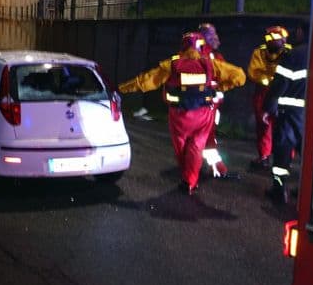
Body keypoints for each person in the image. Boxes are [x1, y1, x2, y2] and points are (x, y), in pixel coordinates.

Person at [119, 32, 246, 195]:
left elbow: (145, 81)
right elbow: (240, 76)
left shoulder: (172, 64)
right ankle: (190, 181)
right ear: (201, 46)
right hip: (203, 114)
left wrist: (122, 88)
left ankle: (186, 175)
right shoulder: (211, 64)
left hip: (179, 115)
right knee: (196, 147)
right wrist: (220, 87)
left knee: (181, 147)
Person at [263, 26, 307, 204]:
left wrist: (268, 108)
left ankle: (279, 190)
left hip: (289, 113)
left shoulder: (294, 55)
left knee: (282, 151)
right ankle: (307, 190)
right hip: (312, 115)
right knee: (310, 153)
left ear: (301, 33)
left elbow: (279, 84)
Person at [247, 26, 291, 170]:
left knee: (283, 127)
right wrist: (271, 81)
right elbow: (253, 73)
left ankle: (283, 158)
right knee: (264, 126)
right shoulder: (259, 52)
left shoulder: (289, 52)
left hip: (282, 92)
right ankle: (265, 157)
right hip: (265, 92)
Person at [197, 23, 234, 178]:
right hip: (204, 104)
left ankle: (196, 165)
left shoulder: (215, 56)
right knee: (208, 138)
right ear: (203, 37)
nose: (216, 37)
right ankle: (218, 169)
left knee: (205, 137)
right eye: (212, 34)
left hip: (212, 104)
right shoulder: (199, 56)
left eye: (216, 33)